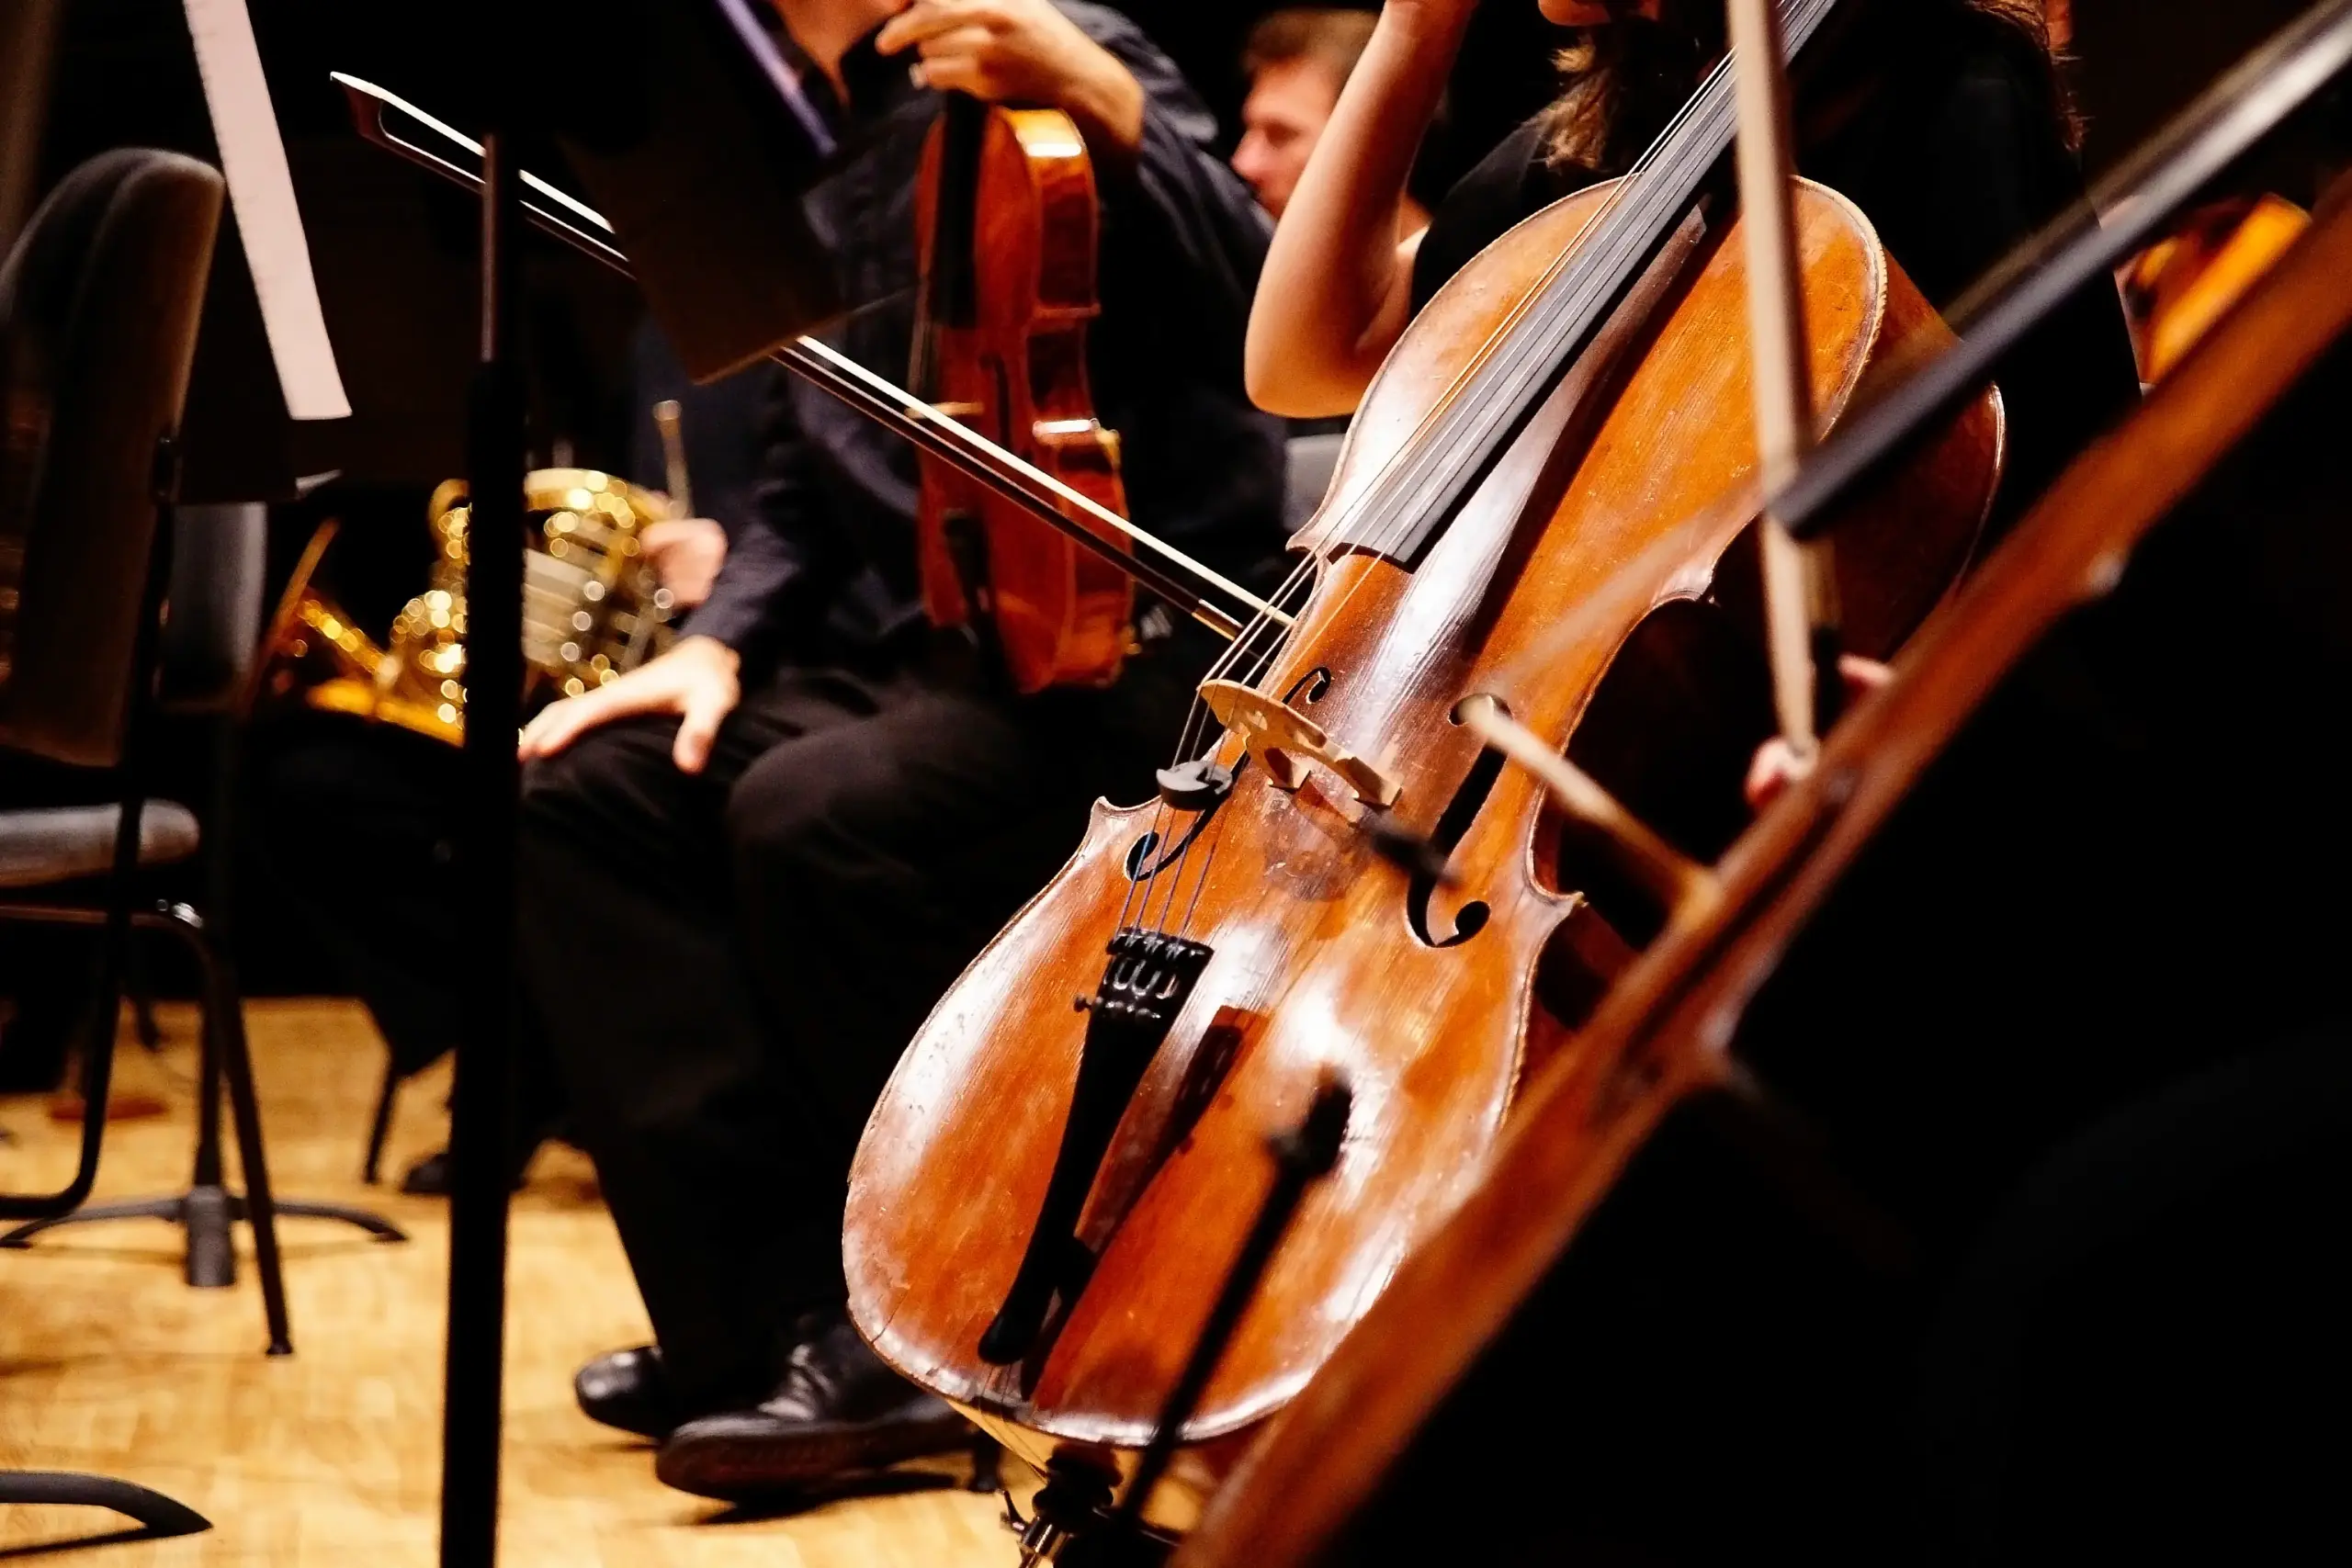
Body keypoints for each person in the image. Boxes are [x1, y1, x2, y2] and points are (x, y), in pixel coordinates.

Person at [517, 0, 1283, 1503]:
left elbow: (1272, 318)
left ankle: (921, 1322)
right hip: (940, 650)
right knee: (590, 795)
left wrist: (1103, 95)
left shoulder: (1063, 44)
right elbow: (804, 473)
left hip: (1135, 656)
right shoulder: (823, 151)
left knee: (818, 814)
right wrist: (714, 641)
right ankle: (763, 1323)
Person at [1234, 6, 1430, 236]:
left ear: (1381, 144)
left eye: (1281, 136)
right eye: (1249, 131)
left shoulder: (1452, 258)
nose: (1244, 164)